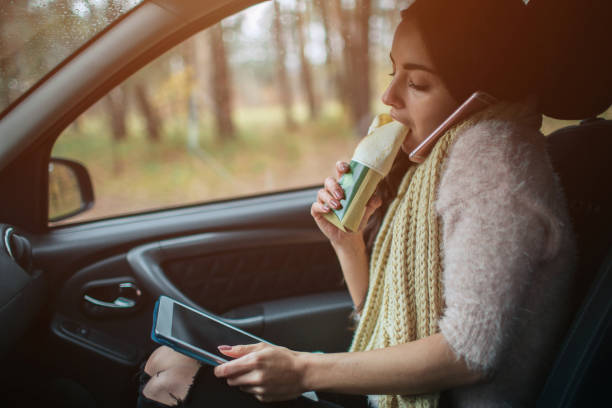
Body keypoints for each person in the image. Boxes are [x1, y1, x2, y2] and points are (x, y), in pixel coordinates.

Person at [136, 0, 601, 406]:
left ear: (480, 94)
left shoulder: (495, 160)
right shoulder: (440, 159)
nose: (388, 96)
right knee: (172, 362)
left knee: (175, 375)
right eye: (392, 71)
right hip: (407, 397)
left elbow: (468, 354)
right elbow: (389, 329)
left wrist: (302, 372)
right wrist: (348, 244)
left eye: (417, 83)